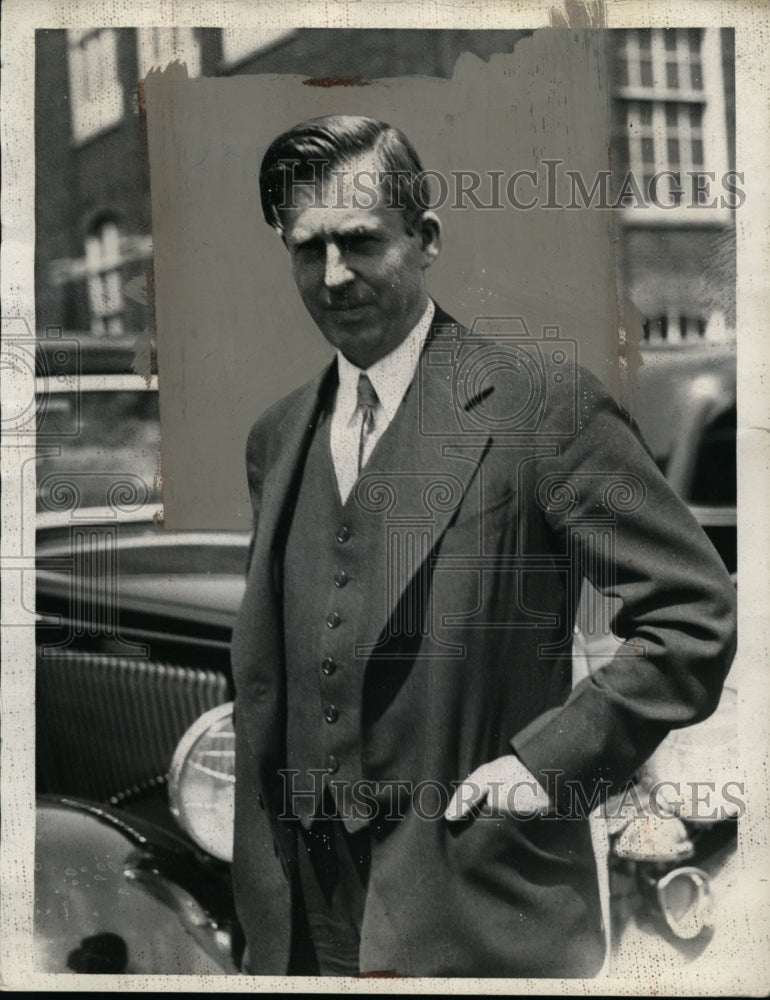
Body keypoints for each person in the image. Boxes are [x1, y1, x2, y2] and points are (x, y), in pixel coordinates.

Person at [229, 114, 737, 978]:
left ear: (425, 238)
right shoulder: (277, 437)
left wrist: (546, 767)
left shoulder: (544, 406)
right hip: (306, 924)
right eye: (308, 248)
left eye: (361, 241)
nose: (335, 275)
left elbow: (693, 613)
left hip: (473, 903)